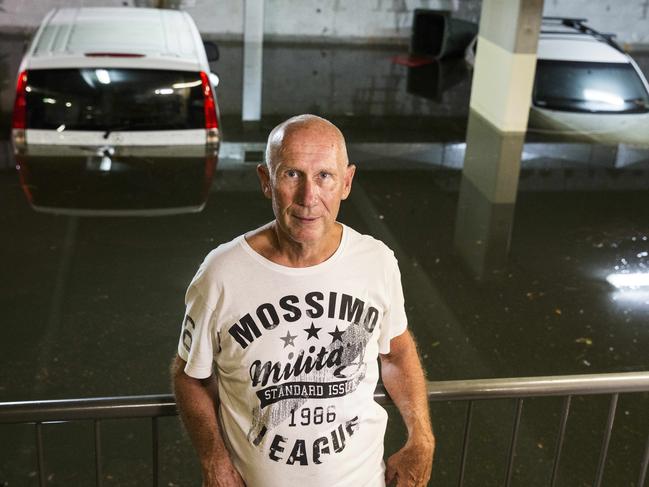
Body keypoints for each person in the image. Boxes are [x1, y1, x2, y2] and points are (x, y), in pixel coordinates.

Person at [171, 114, 434, 487]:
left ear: (346, 182)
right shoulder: (222, 274)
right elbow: (190, 378)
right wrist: (214, 461)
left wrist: (420, 438)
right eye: (291, 174)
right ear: (266, 181)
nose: (309, 197)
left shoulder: (377, 263)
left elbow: (395, 352)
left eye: (324, 176)